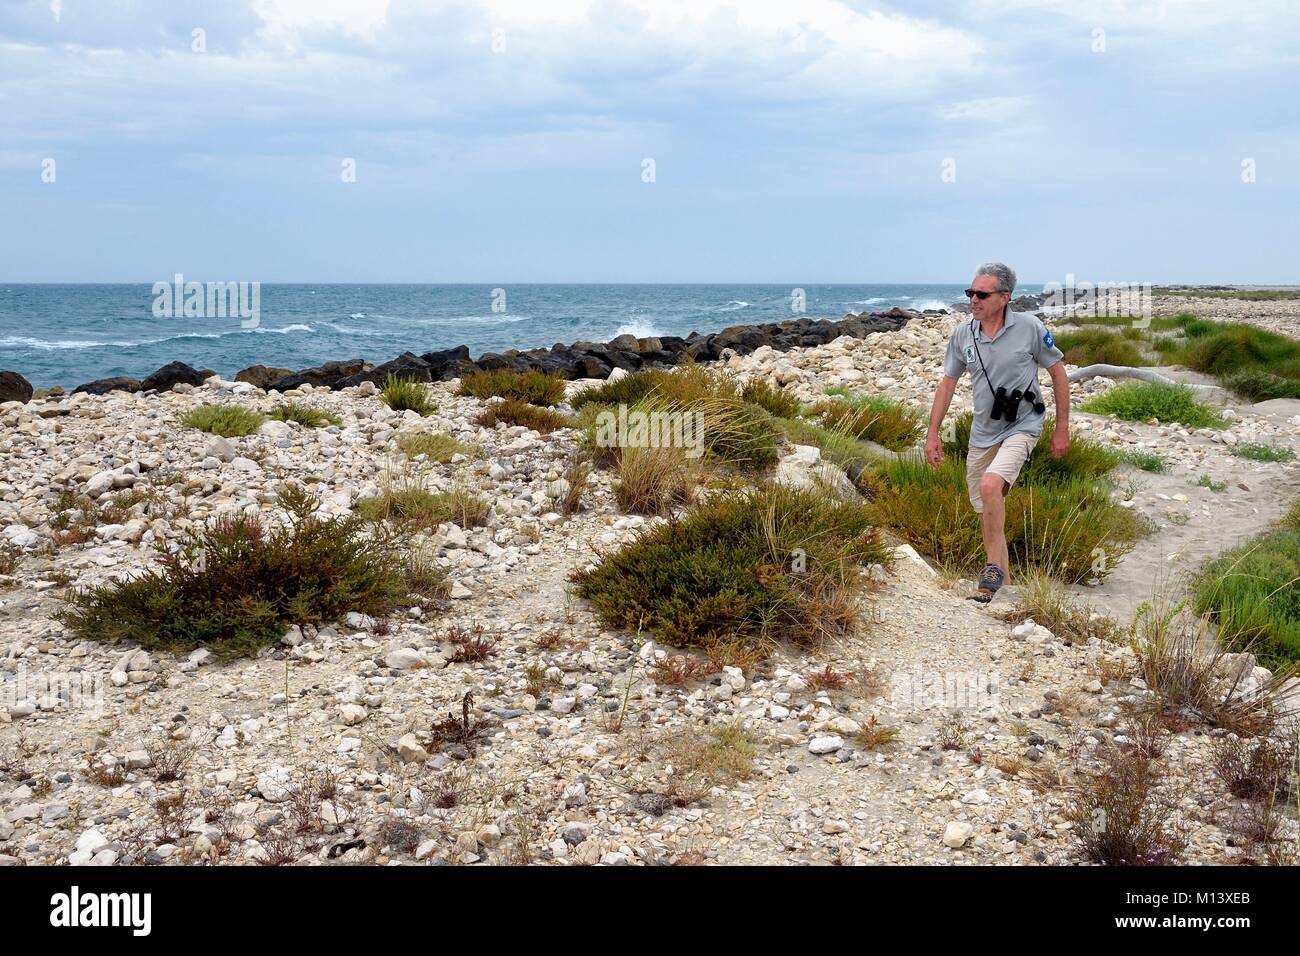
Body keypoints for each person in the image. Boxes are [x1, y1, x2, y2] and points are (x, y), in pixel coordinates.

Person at [924, 262, 1070, 602]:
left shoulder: (1030, 328)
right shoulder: (963, 334)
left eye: (981, 294)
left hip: (1024, 425)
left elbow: (1058, 375)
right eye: (970, 293)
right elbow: (948, 384)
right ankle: (1002, 589)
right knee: (988, 510)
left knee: (991, 485)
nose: (973, 299)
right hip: (983, 432)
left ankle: (990, 570)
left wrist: (1061, 427)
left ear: (1004, 297)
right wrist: (932, 434)